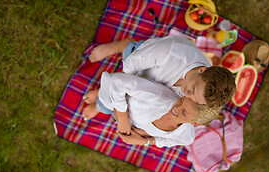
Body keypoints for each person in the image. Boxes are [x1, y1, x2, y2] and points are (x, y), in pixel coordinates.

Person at [89, 36, 236, 108]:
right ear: (202, 70)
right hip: (139, 60)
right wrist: (119, 89)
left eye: (195, 99)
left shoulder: (203, 94)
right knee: (130, 52)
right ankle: (120, 45)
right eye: (192, 89)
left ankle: (102, 96)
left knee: (110, 104)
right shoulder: (170, 53)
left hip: (148, 86)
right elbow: (130, 65)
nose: (187, 95)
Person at [82, 72, 219, 148]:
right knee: (102, 104)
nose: (176, 108)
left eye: (184, 112)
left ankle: (100, 101)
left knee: (105, 108)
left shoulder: (186, 136)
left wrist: (145, 141)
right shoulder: (158, 96)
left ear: (195, 123)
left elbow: (168, 141)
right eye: (181, 100)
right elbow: (118, 81)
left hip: (129, 122)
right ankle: (99, 96)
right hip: (120, 104)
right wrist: (121, 117)